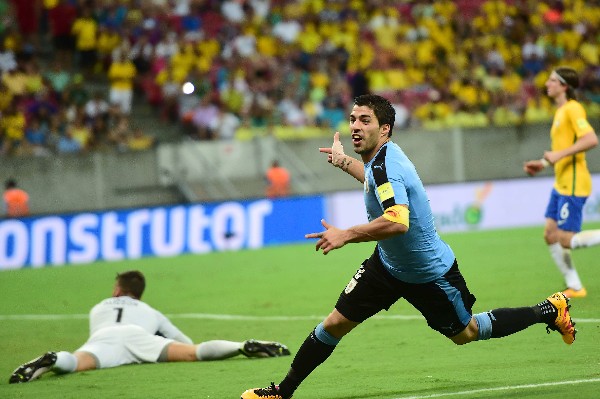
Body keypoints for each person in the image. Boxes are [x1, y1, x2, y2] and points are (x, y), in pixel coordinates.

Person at [241, 94, 576, 399]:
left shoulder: (388, 165)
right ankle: (282, 392)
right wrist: (345, 162)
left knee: (467, 333)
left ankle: (547, 309)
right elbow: (373, 180)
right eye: (353, 119)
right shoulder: (379, 159)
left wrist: (347, 234)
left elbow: (397, 221)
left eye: (365, 121)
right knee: (334, 324)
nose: (355, 126)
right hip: (386, 266)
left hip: (429, 273)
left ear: (385, 129)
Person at [9, 270, 290, 384]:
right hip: (141, 338)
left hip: (104, 340)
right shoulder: (149, 310)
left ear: (118, 290)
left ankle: (53, 359)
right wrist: (160, 338)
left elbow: (103, 332)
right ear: (139, 293)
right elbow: (186, 340)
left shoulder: (98, 308)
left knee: (79, 361)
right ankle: (242, 346)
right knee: (194, 351)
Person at [524, 67, 599, 299]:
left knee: (565, 240)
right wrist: (543, 163)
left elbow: (590, 139)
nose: (547, 83)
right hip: (561, 183)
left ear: (564, 86)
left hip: (574, 184)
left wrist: (558, 155)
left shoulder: (573, 108)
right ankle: (575, 286)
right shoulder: (560, 112)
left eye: (553, 80)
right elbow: (561, 151)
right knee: (550, 234)